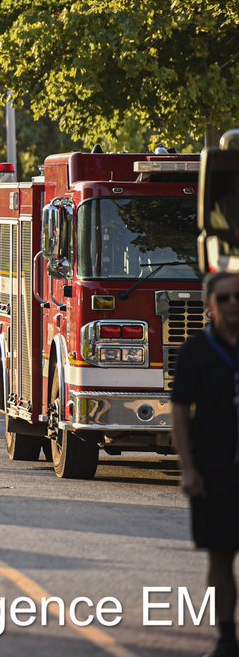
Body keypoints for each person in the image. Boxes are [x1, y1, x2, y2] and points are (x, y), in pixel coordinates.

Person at [172, 271, 239, 657]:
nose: (232, 305)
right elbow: (180, 411)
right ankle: (226, 636)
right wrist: (189, 469)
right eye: (225, 298)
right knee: (221, 555)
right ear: (210, 305)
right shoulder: (196, 352)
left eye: (238, 297)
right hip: (215, 470)